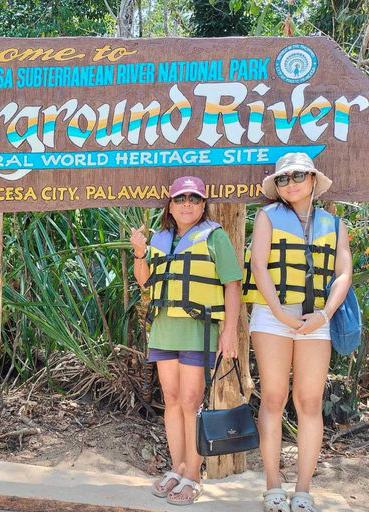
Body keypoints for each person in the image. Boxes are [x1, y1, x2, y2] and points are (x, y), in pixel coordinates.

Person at [242, 153, 352, 512]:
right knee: (273, 398)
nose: (291, 184)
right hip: (274, 316)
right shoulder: (267, 216)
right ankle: (273, 484)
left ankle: (303, 488)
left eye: (298, 176)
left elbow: (342, 275)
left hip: (316, 318)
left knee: (308, 402)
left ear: (313, 179)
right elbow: (259, 264)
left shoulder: (335, 224)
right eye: (284, 179)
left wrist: (324, 314)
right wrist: (278, 312)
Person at [131, 176, 242, 506]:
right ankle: (178, 468)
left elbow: (232, 285)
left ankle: (194, 475)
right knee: (173, 398)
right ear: (170, 205)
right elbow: (145, 281)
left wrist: (229, 331)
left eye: (194, 199)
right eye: (181, 199)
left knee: (192, 402)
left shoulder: (215, 237)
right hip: (165, 327)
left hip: (199, 328)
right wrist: (140, 253)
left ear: (204, 205)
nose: (187, 204)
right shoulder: (161, 238)